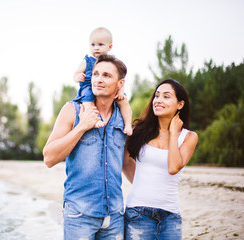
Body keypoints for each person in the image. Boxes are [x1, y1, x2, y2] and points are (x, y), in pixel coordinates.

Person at [43, 55, 128, 239]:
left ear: (120, 83)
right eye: (95, 73)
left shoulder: (123, 117)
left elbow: (127, 163)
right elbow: (49, 158)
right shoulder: (72, 110)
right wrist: (82, 126)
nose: (98, 79)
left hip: (115, 217)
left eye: (106, 75)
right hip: (79, 215)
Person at [122, 79, 198, 240]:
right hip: (138, 213)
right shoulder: (139, 131)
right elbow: (126, 162)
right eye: (157, 96)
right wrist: (143, 184)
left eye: (166, 96)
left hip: (170, 215)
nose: (158, 100)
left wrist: (173, 132)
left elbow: (173, 167)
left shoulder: (189, 137)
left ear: (180, 104)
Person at [73, 27, 133, 135]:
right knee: (88, 100)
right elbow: (76, 73)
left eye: (100, 45)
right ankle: (94, 119)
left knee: (124, 101)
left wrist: (120, 91)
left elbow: (120, 79)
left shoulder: (113, 63)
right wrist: (77, 77)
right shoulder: (87, 60)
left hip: (108, 89)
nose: (96, 48)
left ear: (110, 46)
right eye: (93, 44)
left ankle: (128, 124)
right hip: (88, 86)